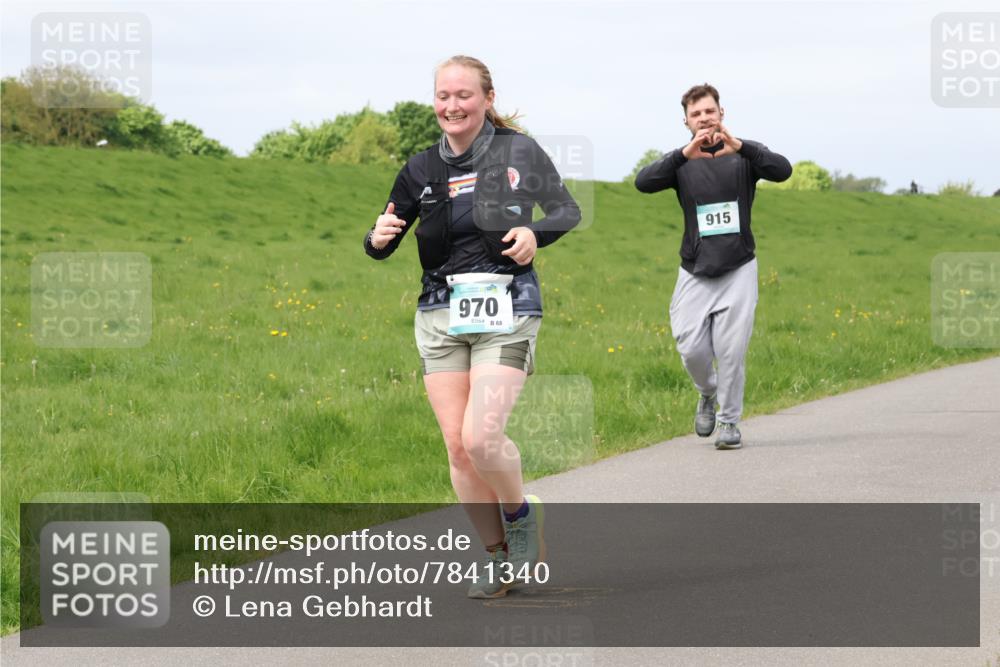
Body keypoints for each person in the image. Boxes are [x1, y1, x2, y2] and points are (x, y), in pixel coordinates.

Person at [364, 55, 581, 597]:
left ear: (486, 98)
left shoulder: (518, 153)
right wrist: (377, 238)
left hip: (508, 306)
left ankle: (518, 513)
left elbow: (564, 211)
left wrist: (535, 234)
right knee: (457, 448)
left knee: (481, 437)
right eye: (443, 96)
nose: (452, 106)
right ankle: (495, 558)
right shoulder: (419, 170)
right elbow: (381, 239)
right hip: (439, 314)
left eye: (463, 95)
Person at [635, 83, 792, 450]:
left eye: (709, 111)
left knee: (732, 351)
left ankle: (729, 422)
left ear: (721, 113)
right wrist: (681, 155)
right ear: (686, 122)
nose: (704, 119)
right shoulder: (682, 162)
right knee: (690, 347)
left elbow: (783, 171)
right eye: (696, 114)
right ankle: (707, 392)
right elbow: (643, 182)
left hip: (738, 267)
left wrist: (743, 146)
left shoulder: (745, 155)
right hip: (694, 269)